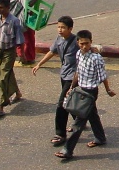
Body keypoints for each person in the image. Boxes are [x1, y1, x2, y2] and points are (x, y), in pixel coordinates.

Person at [55, 29, 115, 159]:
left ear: (91, 42)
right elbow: (77, 72)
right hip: (81, 89)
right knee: (92, 115)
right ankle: (100, 137)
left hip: (90, 92)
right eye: (81, 43)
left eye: (87, 43)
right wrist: (72, 87)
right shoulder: (78, 54)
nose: (84, 46)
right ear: (78, 43)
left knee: (78, 123)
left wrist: (108, 90)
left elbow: (102, 76)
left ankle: (68, 150)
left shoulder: (96, 58)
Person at [33, 16, 79, 146]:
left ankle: (60, 134)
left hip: (73, 77)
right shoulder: (59, 39)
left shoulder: (76, 42)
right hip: (64, 75)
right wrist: (39, 64)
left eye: (63, 27)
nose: (60, 30)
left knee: (62, 104)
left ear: (70, 29)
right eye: (58, 27)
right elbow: (51, 52)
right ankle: (79, 121)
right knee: (72, 102)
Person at [12, 0, 42, 64]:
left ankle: (19, 53)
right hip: (24, 16)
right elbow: (27, 5)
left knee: (20, 36)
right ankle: (28, 57)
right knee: (29, 38)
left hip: (17, 14)